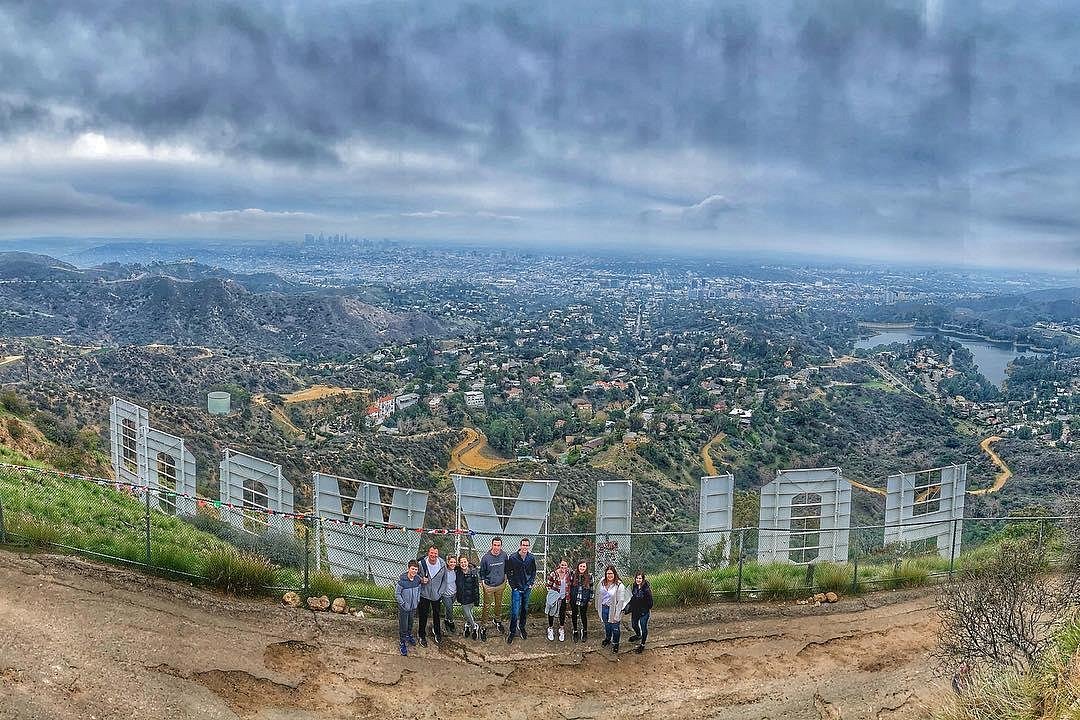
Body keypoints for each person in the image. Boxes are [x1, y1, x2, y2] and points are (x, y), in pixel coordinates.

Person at [505, 537, 537, 644]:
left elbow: (533, 572)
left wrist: (530, 583)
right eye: (523, 545)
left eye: (527, 545)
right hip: (516, 589)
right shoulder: (513, 558)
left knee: (524, 609)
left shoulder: (531, 558)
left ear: (529, 546)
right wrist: (513, 586)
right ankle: (512, 631)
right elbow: (509, 573)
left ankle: (522, 627)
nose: (525, 547)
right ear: (520, 545)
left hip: (527, 588)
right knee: (515, 611)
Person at [417, 544, 448, 647]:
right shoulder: (421, 564)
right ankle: (421, 635)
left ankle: (437, 632)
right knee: (423, 615)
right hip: (424, 594)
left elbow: (445, 580)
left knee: (436, 615)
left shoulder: (442, 564)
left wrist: (440, 592)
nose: (433, 555)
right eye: (431, 553)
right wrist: (421, 580)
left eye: (435, 553)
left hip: (436, 595)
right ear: (428, 553)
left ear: (438, 554)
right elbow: (414, 574)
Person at [479, 537, 509, 639]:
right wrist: (484, 584)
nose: (496, 547)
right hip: (489, 586)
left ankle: (497, 620)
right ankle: (483, 626)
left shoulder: (504, 555)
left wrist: (505, 579)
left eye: (498, 545)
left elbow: (506, 569)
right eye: (495, 545)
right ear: (491, 545)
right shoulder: (486, 558)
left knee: (498, 604)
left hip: (500, 585)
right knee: (487, 606)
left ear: (501, 546)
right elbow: (482, 572)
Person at [595, 565, 626, 654]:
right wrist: (597, 607)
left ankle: (616, 643)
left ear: (615, 574)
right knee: (607, 626)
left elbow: (620, 601)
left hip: (614, 610)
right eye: (608, 573)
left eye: (611, 573)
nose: (609, 575)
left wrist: (617, 615)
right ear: (605, 574)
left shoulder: (619, 585)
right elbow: (598, 593)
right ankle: (608, 639)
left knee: (615, 628)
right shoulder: (602, 582)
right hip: (603, 608)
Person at [394, 560, 421, 656]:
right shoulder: (402, 581)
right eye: (412, 569)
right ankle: (402, 642)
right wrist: (403, 603)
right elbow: (397, 594)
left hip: (413, 607)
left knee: (410, 623)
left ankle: (409, 635)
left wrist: (417, 600)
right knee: (403, 625)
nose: (414, 571)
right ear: (408, 569)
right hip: (404, 608)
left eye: (416, 569)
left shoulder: (418, 580)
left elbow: (419, 590)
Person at [626, 571, 654, 654]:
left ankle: (642, 644)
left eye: (640, 578)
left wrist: (643, 609)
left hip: (643, 613)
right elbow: (632, 598)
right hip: (635, 611)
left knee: (643, 627)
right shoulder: (634, 586)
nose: (638, 580)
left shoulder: (646, 590)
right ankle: (638, 635)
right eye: (637, 578)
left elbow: (650, 604)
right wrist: (628, 606)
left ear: (643, 579)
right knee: (634, 625)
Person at [456, 554, 481, 640]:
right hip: (463, 597)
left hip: (471, 597)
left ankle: (468, 624)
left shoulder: (473, 572)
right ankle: (474, 627)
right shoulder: (457, 572)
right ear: (459, 563)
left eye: (465, 562)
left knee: (469, 613)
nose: (463, 564)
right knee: (467, 613)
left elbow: (476, 587)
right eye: (461, 562)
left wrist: (477, 600)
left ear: (468, 562)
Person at [545, 559, 571, 641]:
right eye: (562, 565)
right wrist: (553, 595)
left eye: (565, 565)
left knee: (562, 613)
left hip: (564, 597)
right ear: (559, 565)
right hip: (555, 597)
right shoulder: (554, 574)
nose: (563, 567)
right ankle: (550, 628)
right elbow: (548, 585)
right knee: (551, 613)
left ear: (567, 566)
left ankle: (561, 629)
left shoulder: (568, 574)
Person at [569, 560, 593, 643]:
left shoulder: (589, 576)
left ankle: (585, 631)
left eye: (584, 566)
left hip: (584, 599)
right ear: (578, 566)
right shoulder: (573, 574)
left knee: (583, 615)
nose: (582, 568)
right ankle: (575, 631)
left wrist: (590, 599)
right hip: (574, 598)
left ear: (586, 568)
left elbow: (591, 589)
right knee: (574, 614)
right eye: (581, 566)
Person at [442, 555, 459, 634]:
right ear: (447, 562)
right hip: (446, 595)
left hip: (454, 594)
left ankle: (446, 620)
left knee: (448, 609)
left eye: (454, 562)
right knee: (450, 609)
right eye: (451, 562)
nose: (453, 564)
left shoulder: (455, 570)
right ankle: (451, 622)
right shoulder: (444, 571)